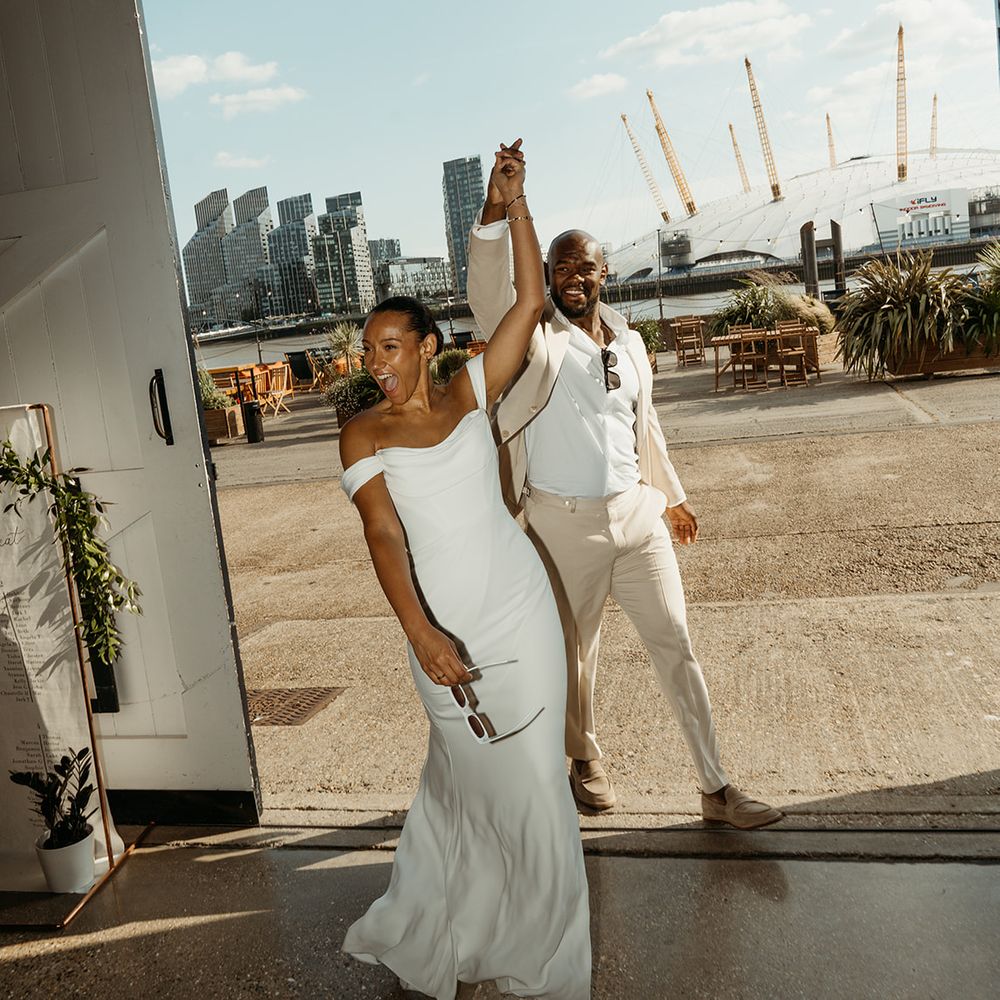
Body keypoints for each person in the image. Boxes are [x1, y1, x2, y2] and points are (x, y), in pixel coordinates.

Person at [467, 139, 783, 830]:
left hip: (635, 518)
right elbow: (492, 296)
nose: (573, 276)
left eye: (585, 265)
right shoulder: (532, 341)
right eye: (560, 267)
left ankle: (716, 787)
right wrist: (501, 205)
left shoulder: (630, 342)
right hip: (559, 527)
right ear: (546, 277)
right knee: (571, 662)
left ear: (606, 271)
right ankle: (583, 761)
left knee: (676, 641)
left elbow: (646, 428)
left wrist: (671, 496)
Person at [339, 148, 591, 1000]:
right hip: (437, 626)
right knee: (470, 778)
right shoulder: (362, 435)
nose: (375, 360)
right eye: (367, 349)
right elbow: (383, 539)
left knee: (535, 782)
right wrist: (421, 633)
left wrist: (513, 204)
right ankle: (457, 914)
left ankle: (549, 960)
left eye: (389, 344)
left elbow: (529, 301)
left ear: (427, 344)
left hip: (518, 605)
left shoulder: (469, 391)